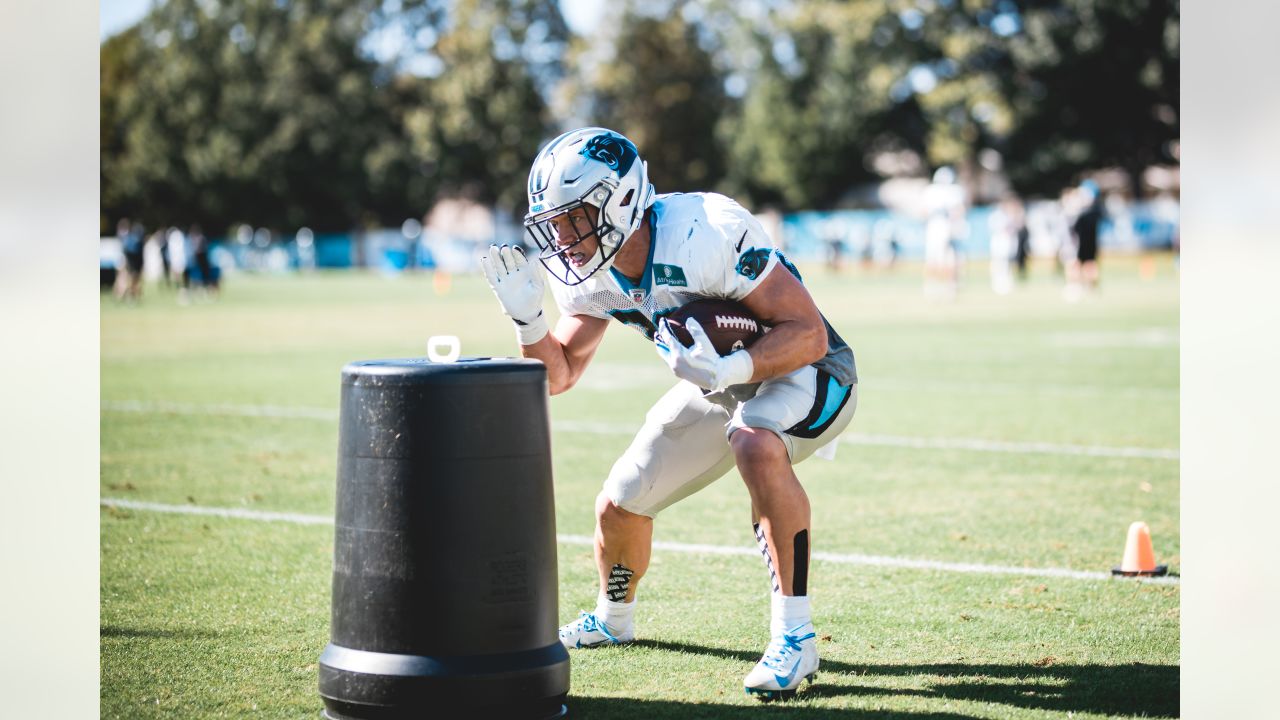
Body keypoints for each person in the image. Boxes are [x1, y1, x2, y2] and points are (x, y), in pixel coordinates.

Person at [481, 127, 858, 699]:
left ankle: (796, 637)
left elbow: (806, 332)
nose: (563, 236)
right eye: (553, 222)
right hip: (718, 378)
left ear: (621, 199)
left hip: (808, 370)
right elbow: (557, 375)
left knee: (754, 439)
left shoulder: (705, 230)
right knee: (622, 499)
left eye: (574, 217)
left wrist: (731, 372)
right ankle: (614, 619)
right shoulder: (589, 270)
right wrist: (528, 321)